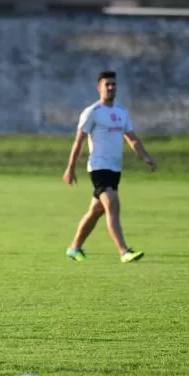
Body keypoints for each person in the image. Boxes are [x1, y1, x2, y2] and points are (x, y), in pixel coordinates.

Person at [63, 70, 156, 263]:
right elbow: (78, 141)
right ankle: (124, 251)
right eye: (107, 84)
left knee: (96, 211)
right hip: (98, 168)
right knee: (113, 204)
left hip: (115, 169)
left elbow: (132, 138)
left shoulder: (121, 112)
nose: (111, 87)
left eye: (114, 84)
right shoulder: (92, 112)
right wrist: (70, 167)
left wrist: (146, 157)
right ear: (99, 88)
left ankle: (74, 247)